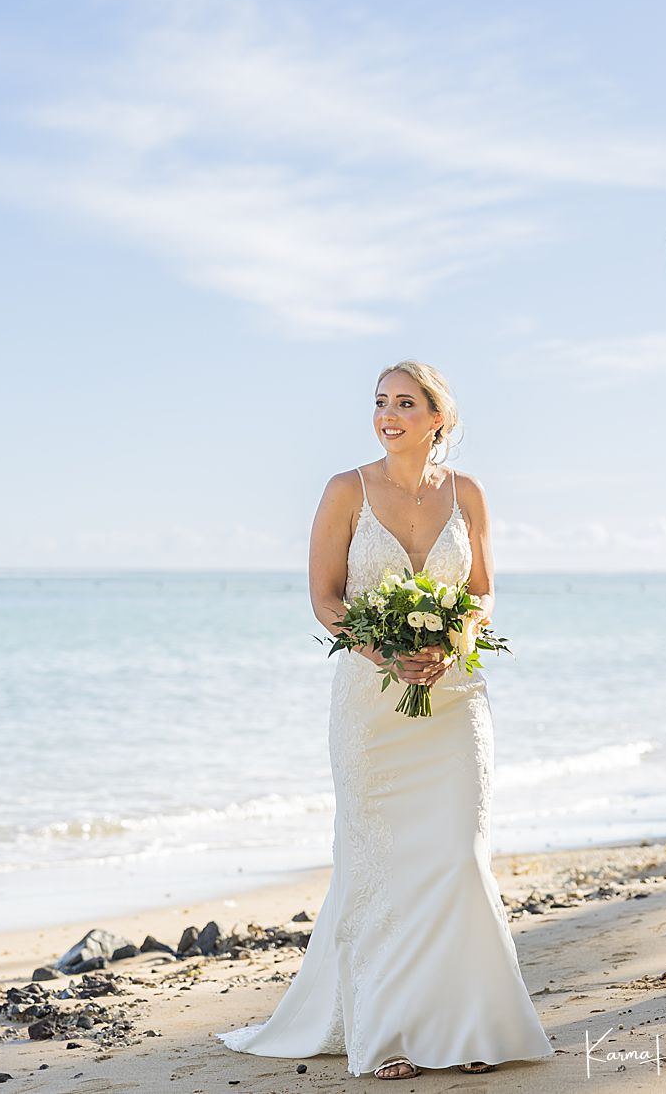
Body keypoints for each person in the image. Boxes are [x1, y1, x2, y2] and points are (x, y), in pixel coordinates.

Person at [217, 361, 552, 1080]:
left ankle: (467, 1027)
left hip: (457, 697)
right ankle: (388, 1033)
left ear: (438, 416)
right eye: (380, 402)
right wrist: (389, 650)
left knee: (459, 855)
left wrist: (458, 631)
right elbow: (326, 598)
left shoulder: (469, 494)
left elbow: (486, 592)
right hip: (371, 705)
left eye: (406, 402)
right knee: (382, 864)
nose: (388, 413)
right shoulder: (345, 490)